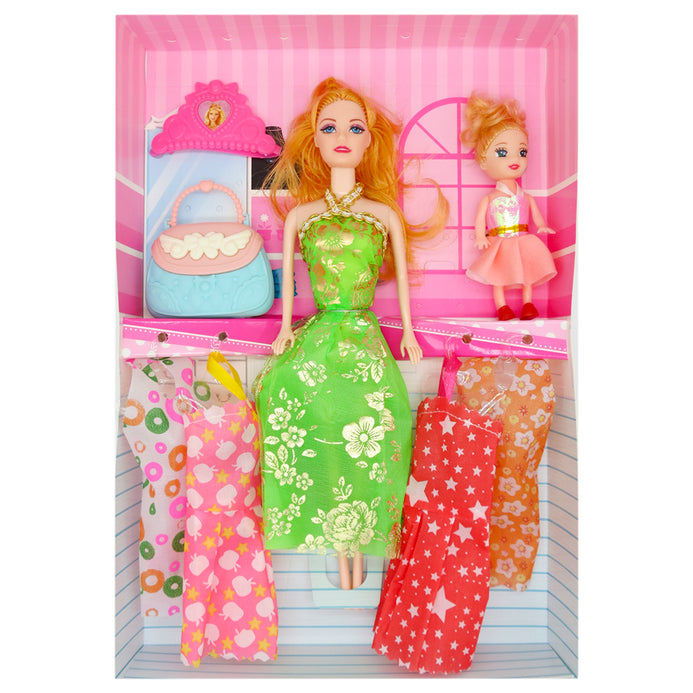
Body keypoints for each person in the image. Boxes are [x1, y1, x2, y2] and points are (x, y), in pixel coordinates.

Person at [253, 77, 447, 589]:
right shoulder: (301, 216)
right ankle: (334, 540)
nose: (342, 136)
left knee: (374, 433)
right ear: (314, 142)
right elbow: (289, 282)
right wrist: (285, 330)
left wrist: (408, 332)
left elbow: (401, 285)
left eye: (355, 128)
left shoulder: (383, 216)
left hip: (364, 338)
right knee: (318, 426)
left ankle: (362, 539)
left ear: (368, 143)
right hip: (319, 335)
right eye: (330, 127)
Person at [461, 93, 557, 320]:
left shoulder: (526, 196)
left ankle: (528, 304)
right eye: (502, 153)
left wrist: (541, 225)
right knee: (499, 276)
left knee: (528, 272)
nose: (515, 159)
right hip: (500, 241)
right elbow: (480, 220)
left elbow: (536, 215)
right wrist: (480, 236)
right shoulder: (489, 199)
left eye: (522, 152)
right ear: (483, 160)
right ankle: (502, 307)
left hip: (523, 239)